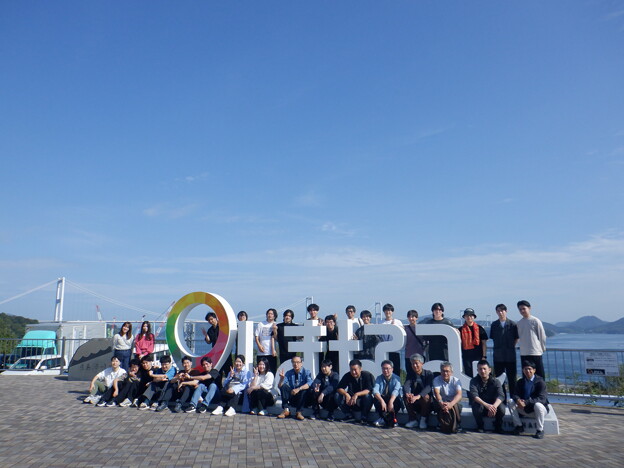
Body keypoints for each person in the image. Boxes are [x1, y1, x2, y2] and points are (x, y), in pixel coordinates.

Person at [510, 360, 549, 439]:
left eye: (529, 369)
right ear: (523, 370)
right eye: (525, 369)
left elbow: (542, 398)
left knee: (538, 405)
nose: (527, 371)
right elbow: (515, 394)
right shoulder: (520, 382)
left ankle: (540, 430)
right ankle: (519, 426)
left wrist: (526, 402)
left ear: (534, 370)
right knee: (510, 402)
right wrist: (518, 401)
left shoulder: (540, 382)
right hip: (524, 408)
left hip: (538, 410)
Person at [490, 304, 519, 396]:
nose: (500, 312)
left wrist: (510, 346)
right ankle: (502, 398)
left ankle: (513, 398)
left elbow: (516, 338)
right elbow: (493, 337)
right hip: (498, 356)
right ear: (496, 312)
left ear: (506, 311)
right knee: (499, 379)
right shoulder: (494, 325)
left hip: (510, 356)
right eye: (498, 311)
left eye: (502, 310)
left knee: (512, 378)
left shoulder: (513, 324)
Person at [468, 360, 505, 433]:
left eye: (484, 369)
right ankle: (480, 426)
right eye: (480, 369)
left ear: (489, 370)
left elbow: (501, 395)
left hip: (493, 406)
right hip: (482, 405)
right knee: (476, 406)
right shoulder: (473, 381)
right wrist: (486, 405)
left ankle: (498, 426)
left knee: (501, 408)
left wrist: (494, 407)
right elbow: (474, 396)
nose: (482, 371)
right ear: (477, 370)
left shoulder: (496, 381)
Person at [335, 359, 375, 425]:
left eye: (355, 370)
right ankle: (349, 415)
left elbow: (369, 390)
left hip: (362, 400)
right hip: (351, 401)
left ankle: (364, 417)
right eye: (351, 370)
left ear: (360, 369)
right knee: (337, 395)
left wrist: (357, 394)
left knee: (368, 397)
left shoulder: (367, 375)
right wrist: (346, 394)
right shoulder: (347, 375)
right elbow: (339, 388)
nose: (353, 372)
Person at [516, 300, 547, 379]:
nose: (522, 311)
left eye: (524, 308)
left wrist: (542, 348)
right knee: (526, 375)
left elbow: (542, 336)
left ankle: (541, 387)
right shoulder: (519, 323)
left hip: (535, 352)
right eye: (520, 309)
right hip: (524, 353)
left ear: (529, 308)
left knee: (539, 374)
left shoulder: (535, 321)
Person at [277, 356, 313, 421]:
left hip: (303, 399)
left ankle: (299, 412)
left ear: (301, 363)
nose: (296, 364)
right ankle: (286, 410)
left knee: (304, 390)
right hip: (293, 397)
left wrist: (299, 389)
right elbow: (280, 386)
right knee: (284, 386)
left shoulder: (306, 372)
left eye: (298, 362)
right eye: (294, 362)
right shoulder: (289, 373)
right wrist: (281, 379)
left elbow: (309, 383)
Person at [403, 353, 433, 429]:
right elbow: (406, 385)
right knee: (406, 396)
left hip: (426, 401)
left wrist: (418, 396)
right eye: (412, 364)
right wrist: (408, 393)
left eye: (416, 363)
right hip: (415, 399)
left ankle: (423, 419)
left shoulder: (429, 373)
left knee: (426, 397)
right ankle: (413, 420)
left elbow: (428, 387)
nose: (415, 366)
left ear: (422, 364)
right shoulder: (410, 374)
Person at [433, 362, 463, 433]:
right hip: (441, 401)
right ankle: (440, 422)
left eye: (447, 371)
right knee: (437, 404)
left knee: (456, 405)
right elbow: (437, 393)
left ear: (451, 372)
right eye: (443, 371)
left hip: (453, 401)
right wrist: (441, 403)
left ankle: (458, 423)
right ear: (440, 371)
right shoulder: (436, 380)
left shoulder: (456, 380)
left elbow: (459, 394)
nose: (445, 373)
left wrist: (451, 404)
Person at [372, 360, 403, 428]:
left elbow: (396, 390)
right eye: (383, 368)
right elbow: (375, 390)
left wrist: (391, 402)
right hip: (384, 398)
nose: (385, 370)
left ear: (392, 369)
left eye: (387, 368)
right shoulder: (379, 378)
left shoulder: (397, 378)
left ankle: (393, 419)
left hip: (393, 399)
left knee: (397, 401)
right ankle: (382, 418)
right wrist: (381, 401)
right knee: (376, 399)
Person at [459, 308, 488, 377]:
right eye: (467, 316)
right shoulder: (460, 330)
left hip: (478, 356)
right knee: (468, 375)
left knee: (480, 374)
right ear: (464, 317)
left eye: (471, 315)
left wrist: (484, 356)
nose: (469, 317)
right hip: (466, 357)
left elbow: (484, 343)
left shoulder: (480, 328)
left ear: (474, 317)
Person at [404, 310, 426, 381]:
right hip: (408, 356)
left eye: (413, 316)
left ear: (417, 318)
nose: (411, 318)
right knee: (410, 374)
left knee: (420, 374)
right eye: (409, 317)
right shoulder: (405, 329)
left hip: (420, 355)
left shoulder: (422, 329)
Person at [381, 304, 402, 376]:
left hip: (395, 350)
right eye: (386, 310)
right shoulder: (381, 323)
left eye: (389, 310)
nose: (388, 312)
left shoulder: (398, 322)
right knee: (385, 370)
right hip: (384, 351)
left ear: (392, 311)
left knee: (396, 370)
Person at [255, 308, 278, 373]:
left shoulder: (276, 325)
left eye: (271, 314)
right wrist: (259, 346)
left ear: (274, 316)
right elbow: (256, 336)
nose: (269, 315)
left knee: (272, 371)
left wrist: (275, 330)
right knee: (261, 371)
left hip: (271, 353)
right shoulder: (261, 324)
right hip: (261, 352)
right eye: (268, 313)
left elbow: (276, 338)